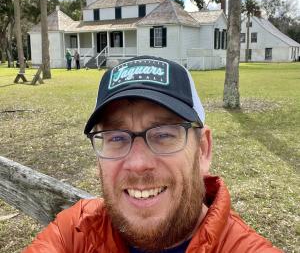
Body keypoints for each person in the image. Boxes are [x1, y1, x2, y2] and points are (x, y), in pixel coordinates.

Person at [23, 56, 282, 253]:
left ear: (203, 150)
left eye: (164, 134)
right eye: (115, 137)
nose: (138, 164)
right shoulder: (74, 231)